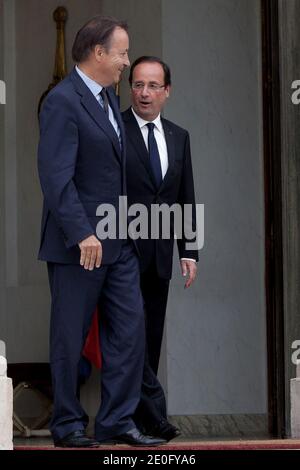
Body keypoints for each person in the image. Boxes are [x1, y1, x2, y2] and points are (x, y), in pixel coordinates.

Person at [37, 18, 165, 448]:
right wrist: (82, 232)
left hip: (119, 242)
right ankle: (68, 423)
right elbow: (56, 177)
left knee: (131, 331)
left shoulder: (109, 99)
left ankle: (116, 422)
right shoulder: (62, 101)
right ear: (98, 53)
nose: (126, 63)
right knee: (70, 336)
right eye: (123, 53)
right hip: (79, 246)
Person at [122, 56, 198, 438]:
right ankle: (148, 416)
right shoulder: (115, 129)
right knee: (127, 336)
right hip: (121, 254)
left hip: (161, 257)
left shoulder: (178, 136)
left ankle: (140, 419)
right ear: (129, 88)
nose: (144, 93)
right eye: (138, 84)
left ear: (167, 91)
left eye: (153, 86)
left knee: (150, 337)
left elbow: (186, 197)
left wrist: (189, 251)